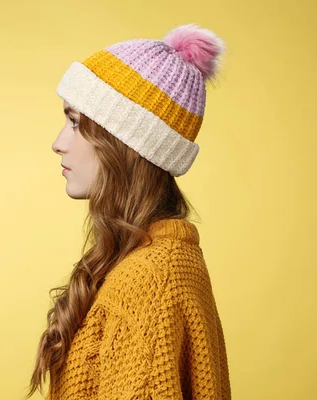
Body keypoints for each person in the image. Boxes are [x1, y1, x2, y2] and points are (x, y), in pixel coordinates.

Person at [26, 23, 231, 400]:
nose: (58, 143)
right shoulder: (162, 260)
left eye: (76, 122)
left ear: (127, 142)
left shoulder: (150, 280)